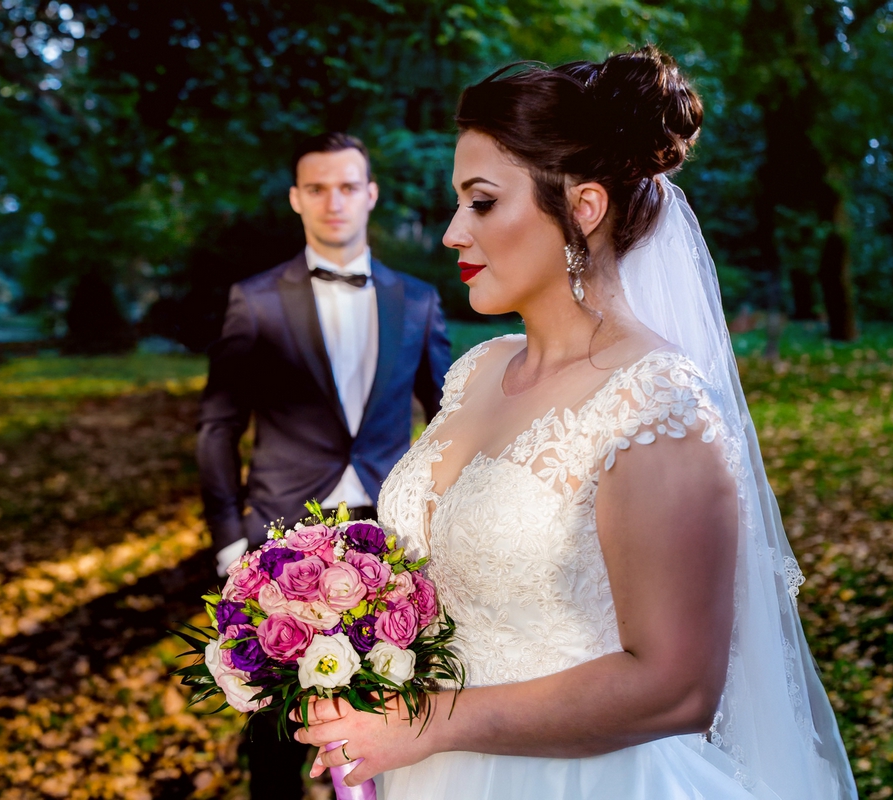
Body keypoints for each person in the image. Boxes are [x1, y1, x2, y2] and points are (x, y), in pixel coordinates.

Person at [293, 47, 858, 799]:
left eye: (483, 201)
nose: (454, 233)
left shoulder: (658, 406)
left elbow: (676, 687)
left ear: (583, 207)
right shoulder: (479, 370)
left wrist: (432, 721)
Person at [196, 132, 453, 800]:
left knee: (393, 711)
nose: (333, 201)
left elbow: (450, 424)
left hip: (388, 539)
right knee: (272, 730)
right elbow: (218, 426)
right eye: (317, 188)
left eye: (347, 186)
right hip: (277, 543)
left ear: (370, 194)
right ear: (295, 199)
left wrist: (446, 525)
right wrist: (229, 540)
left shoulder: (419, 302)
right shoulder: (254, 301)